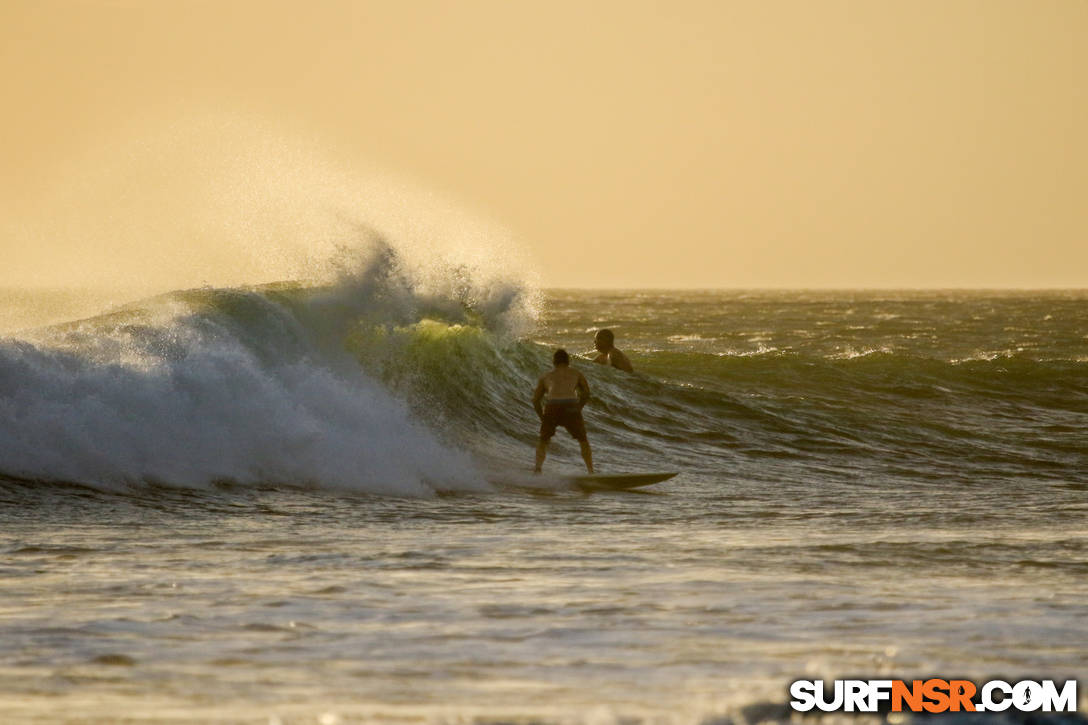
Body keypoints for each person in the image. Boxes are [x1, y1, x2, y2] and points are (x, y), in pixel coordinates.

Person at [532, 348, 593, 473]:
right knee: (583, 440)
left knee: (543, 440)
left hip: (552, 406)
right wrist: (578, 408)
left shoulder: (546, 376)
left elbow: (535, 400)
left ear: (554, 362)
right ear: (568, 361)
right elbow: (586, 393)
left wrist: (542, 417)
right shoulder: (576, 373)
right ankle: (591, 471)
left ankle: (537, 469)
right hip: (571, 405)